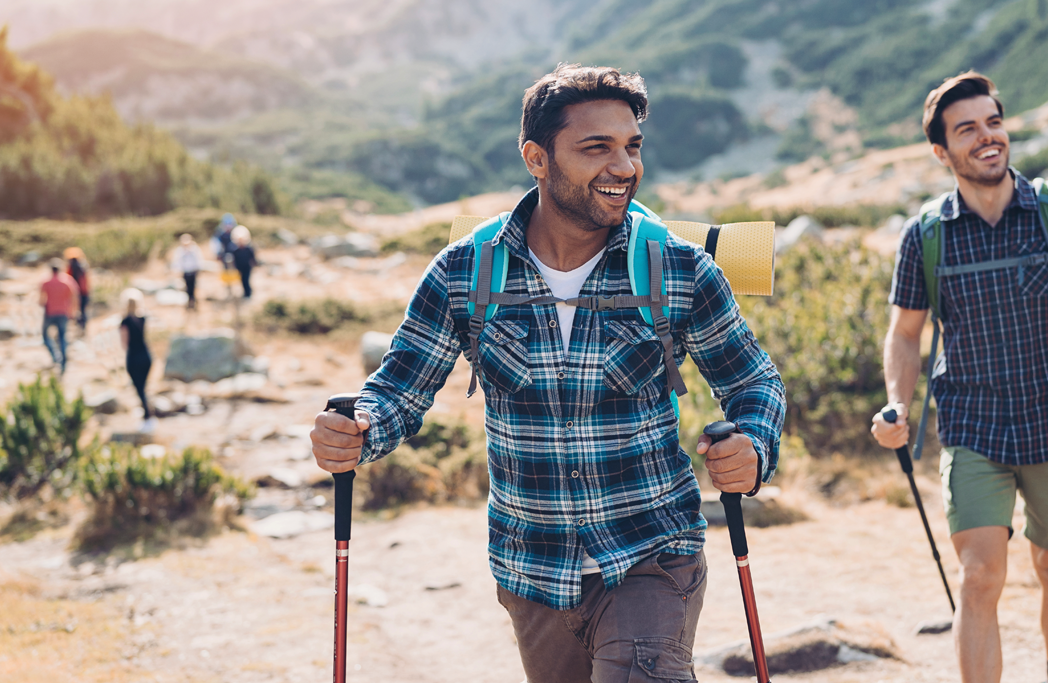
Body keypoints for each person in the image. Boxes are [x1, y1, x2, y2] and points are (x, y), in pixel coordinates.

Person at [310, 64, 786, 683]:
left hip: (652, 557)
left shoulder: (678, 268)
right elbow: (399, 387)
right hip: (531, 570)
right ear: (536, 158)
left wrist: (755, 442)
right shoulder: (465, 272)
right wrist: (360, 428)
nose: (624, 167)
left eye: (631, 146)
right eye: (597, 148)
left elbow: (755, 383)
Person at [870, 72, 1048, 683]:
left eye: (993, 121)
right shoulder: (926, 236)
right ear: (942, 152)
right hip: (972, 422)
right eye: (967, 129)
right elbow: (905, 333)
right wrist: (897, 405)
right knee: (979, 576)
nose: (987, 136)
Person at [119, 288, 155, 433]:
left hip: (134, 357)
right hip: (146, 356)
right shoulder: (143, 318)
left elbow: (124, 343)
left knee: (139, 389)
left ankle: (148, 416)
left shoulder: (125, 321)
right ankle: (148, 414)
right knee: (143, 389)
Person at [39, 258, 78, 373]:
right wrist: (73, 312)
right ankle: (63, 358)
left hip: (50, 313)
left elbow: (41, 300)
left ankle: (55, 356)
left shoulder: (46, 282)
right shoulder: (67, 281)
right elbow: (74, 298)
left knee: (46, 336)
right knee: (62, 337)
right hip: (64, 313)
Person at [172, 233, 204, 309]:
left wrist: (199, 268)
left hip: (193, 271)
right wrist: (177, 270)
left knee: (194, 286)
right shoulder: (179, 251)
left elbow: (199, 259)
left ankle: (194, 300)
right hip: (185, 272)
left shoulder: (195, 249)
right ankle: (189, 300)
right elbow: (177, 262)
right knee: (187, 287)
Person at [64, 247, 90, 333]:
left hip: (75, 292)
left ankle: (77, 325)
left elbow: (68, 279)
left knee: (73, 310)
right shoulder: (83, 265)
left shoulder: (71, 266)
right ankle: (83, 327)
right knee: (83, 310)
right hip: (84, 292)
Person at [230, 225, 257, 299]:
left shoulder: (248, 249)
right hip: (239, 267)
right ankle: (246, 293)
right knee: (242, 280)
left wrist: (255, 264)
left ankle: (248, 294)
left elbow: (253, 258)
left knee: (246, 280)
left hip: (247, 267)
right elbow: (233, 259)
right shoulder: (235, 250)